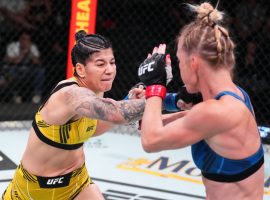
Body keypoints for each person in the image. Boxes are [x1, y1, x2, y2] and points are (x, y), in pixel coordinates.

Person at [138, 2, 264, 200]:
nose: (179, 68)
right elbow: (192, 116)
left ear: (194, 63)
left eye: (180, 61)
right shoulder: (235, 96)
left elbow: (151, 140)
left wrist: (155, 86)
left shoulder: (217, 112)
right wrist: (156, 106)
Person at [2, 30, 146, 200]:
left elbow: (93, 128)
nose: (109, 70)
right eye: (100, 64)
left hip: (77, 183)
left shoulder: (96, 90)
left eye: (112, 62)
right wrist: (160, 96)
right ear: (80, 69)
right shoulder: (71, 94)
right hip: (32, 191)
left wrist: (131, 101)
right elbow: (114, 114)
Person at [3, 31, 45, 103]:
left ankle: (36, 95)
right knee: (12, 71)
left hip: (28, 69)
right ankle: (15, 95)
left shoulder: (32, 46)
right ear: (20, 39)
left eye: (27, 39)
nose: (25, 41)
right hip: (15, 69)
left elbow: (38, 62)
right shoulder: (12, 46)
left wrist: (29, 52)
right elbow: (14, 62)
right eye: (23, 39)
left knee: (40, 71)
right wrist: (22, 53)